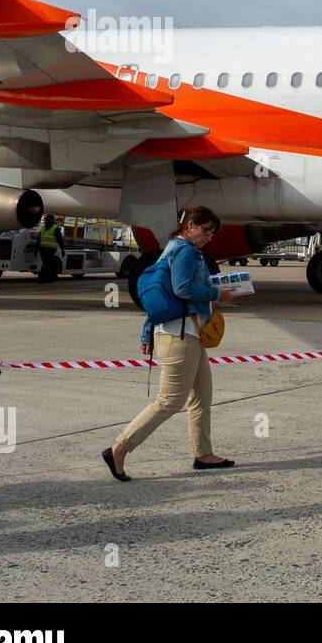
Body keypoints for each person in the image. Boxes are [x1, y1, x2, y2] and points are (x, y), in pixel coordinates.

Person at [101, 206, 236, 481]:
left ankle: (203, 453)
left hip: (185, 334)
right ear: (190, 226)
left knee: (202, 395)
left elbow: (157, 291)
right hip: (181, 336)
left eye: (212, 232)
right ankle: (119, 447)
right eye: (206, 230)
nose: (209, 237)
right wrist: (216, 293)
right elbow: (181, 288)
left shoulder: (172, 248)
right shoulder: (186, 251)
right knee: (170, 401)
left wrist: (146, 332)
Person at [37, 214, 65, 283]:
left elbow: (59, 240)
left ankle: (47, 277)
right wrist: (62, 249)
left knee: (47, 263)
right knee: (48, 264)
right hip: (46, 249)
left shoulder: (50, 228)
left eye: (46, 220)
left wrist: (62, 249)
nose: (46, 221)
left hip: (47, 249)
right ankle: (47, 277)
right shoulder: (48, 228)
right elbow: (39, 239)